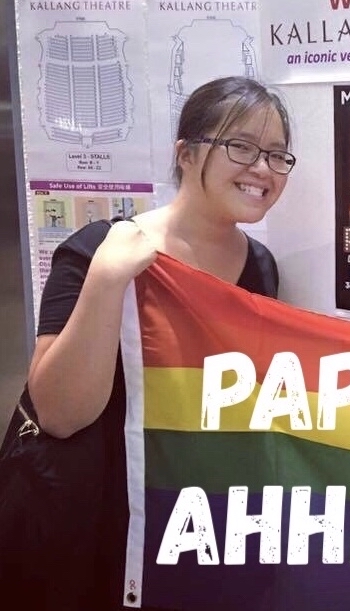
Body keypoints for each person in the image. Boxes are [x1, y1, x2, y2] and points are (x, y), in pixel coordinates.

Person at [2, 75, 295, 609]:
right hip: (93, 526)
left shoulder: (261, 267)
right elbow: (60, 415)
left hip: (187, 525)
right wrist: (108, 281)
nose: (262, 168)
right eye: (241, 146)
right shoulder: (96, 252)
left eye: (277, 155)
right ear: (186, 154)